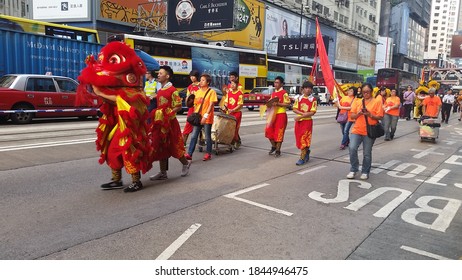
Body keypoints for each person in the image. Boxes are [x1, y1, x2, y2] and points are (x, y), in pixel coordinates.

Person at [77, 41, 152, 192]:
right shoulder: (120, 90)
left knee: (128, 150)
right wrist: (98, 90)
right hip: (118, 125)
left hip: (130, 129)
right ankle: (116, 179)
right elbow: (112, 100)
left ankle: (136, 180)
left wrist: (100, 92)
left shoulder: (136, 92)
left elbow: (122, 101)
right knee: (112, 151)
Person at [149, 66, 191, 181]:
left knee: (174, 145)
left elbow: (178, 106)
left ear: (167, 76)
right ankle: (163, 172)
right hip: (160, 122)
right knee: (161, 147)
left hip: (170, 123)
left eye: (161, 73)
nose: (158, 75)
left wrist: (169, 114)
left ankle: (186, 163)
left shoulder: (173, 90)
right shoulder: (160, 89)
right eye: (158, 73)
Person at [347, 83, 384, 180]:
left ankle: (365, 171)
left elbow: (380, 116)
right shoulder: (358, 101)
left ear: (372, 92)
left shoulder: (377, 102)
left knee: (367, 153)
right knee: (352, 148)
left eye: (368, 92)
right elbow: (352, 116)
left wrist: (369, 114)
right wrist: (359, 113)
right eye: (363, 92)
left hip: (369, 131)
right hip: (357, 129)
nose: (366, 94)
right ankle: (354, 169)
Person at [185, 74, 218, 161]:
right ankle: (189, 154)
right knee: (194, 136)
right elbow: (194, 104)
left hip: (207, 117)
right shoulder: (197, 92)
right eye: (201, 80)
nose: (201, 81)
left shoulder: (212, 92)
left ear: (208, 82)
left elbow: (211, 105)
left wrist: (205, 116)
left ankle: (208, 153)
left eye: (203, 80)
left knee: (207, 136)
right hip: (198, 117)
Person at [265, 76, 291, 157]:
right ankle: (274, 146)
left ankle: (278, 150)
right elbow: (271, 103)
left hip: (281, 114)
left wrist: (278, 104)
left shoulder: (284, 93)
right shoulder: (273, 93)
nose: (275, 84)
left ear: (282, 84)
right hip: (273, 114)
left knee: (279, 133)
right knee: (268, 130)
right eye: (275, 82)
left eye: (277, 82)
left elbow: (288, 104)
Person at [292, 81, 317, 165]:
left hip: (307, 122)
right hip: (299, 122)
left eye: (310, 88)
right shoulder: (299, 98)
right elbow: (294, 109)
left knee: (304, 138)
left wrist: (301, 116)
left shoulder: (313, 100)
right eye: (306, 88)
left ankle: (302, 158)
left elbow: (312, 112)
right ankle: (307, 151)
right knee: (299, 138)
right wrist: (302, 114)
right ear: (303, 89)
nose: (308, 90)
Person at [223, 80, 244, 149]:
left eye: (234, 84)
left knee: (234, 129)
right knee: (228, 128)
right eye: (231, 84)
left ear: (237, 85)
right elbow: (226, 102)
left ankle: (236, 141)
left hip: (236, 113)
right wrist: (224, 107)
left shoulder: (240, 93)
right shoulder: (229, 93)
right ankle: (231, 142)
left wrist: (233, 109)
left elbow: (240, 104)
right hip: (229, 113)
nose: (232, 85)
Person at [182, 70, 200, 145]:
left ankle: (201, 141)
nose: (192, 78)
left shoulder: (201, 86)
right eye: (191, 76)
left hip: (199, 108)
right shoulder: (190, 87)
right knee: (188, 124)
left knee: (200, 126)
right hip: (191, 108)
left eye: (193, 76)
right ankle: (183, 142)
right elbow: (188, 98)